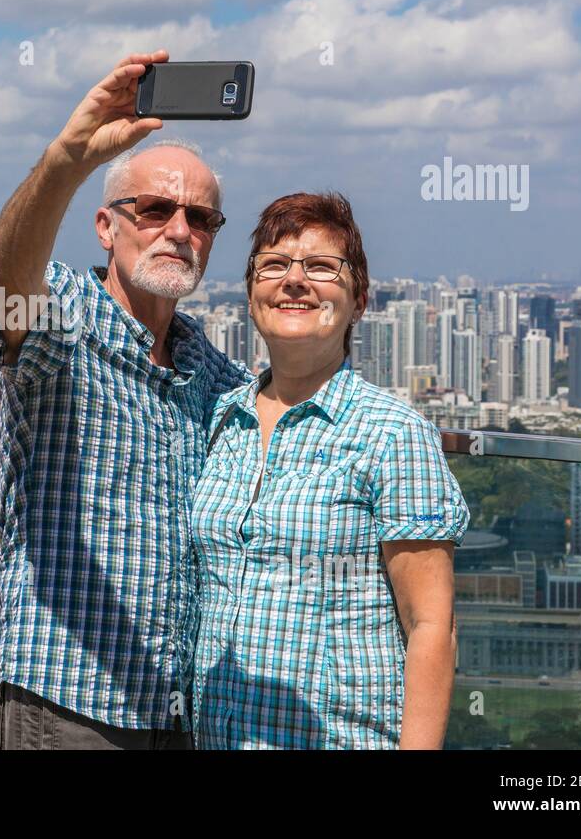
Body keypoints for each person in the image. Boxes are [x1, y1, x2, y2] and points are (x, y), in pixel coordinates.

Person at [0, 50, 251, 749]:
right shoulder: (64, 317)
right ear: (106, 227)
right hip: (65, 699)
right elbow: (3, 279)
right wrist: (67, 157)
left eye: (202, 219)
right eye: (155, 210)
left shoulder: (216, 376)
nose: (180, 232)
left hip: (174, 711)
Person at [191, 192, 469, 749]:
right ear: (250, 294)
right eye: (273, 266)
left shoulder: (392, 433)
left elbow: (431, 626)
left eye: (321, 267)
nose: (294, 281)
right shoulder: (223, 418)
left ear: (359, 299)